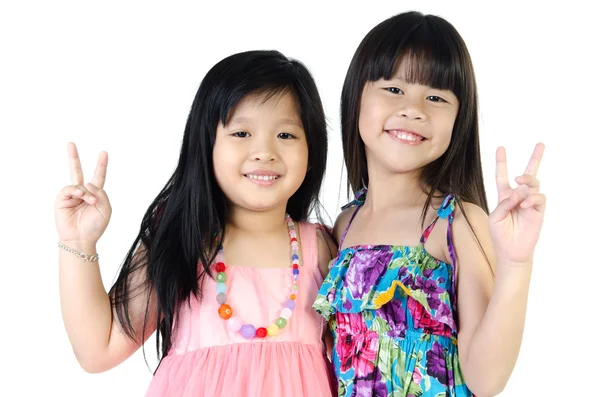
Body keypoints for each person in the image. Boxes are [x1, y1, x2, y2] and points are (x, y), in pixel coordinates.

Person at [55, 50, 337, 397]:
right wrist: (78, 243)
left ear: (312, 153)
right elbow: (98, 349)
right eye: (241, 133)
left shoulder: (323, 249)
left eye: (286, 135)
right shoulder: (183, 240)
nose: (265, 151)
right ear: (206, 146)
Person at [313, 11, 546, 397]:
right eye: (394, 89)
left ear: (460, 118)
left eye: (436, 97)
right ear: (356, 97)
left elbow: (486, 380)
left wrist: (516, 263)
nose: (414, 109)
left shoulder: (457, 222)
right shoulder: (345, 225)